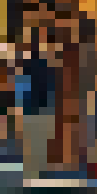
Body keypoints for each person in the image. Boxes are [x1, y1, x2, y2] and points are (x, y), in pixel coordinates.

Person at [14, 37, 59, 184]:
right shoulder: (48, 67)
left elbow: (21, 88)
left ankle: (30, 172)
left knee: (30, 141)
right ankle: (39, 170)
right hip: (44, 108)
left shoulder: (25, 67)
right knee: (40, 141)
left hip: (30, 109)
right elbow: (51, 90)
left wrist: (19, 108)